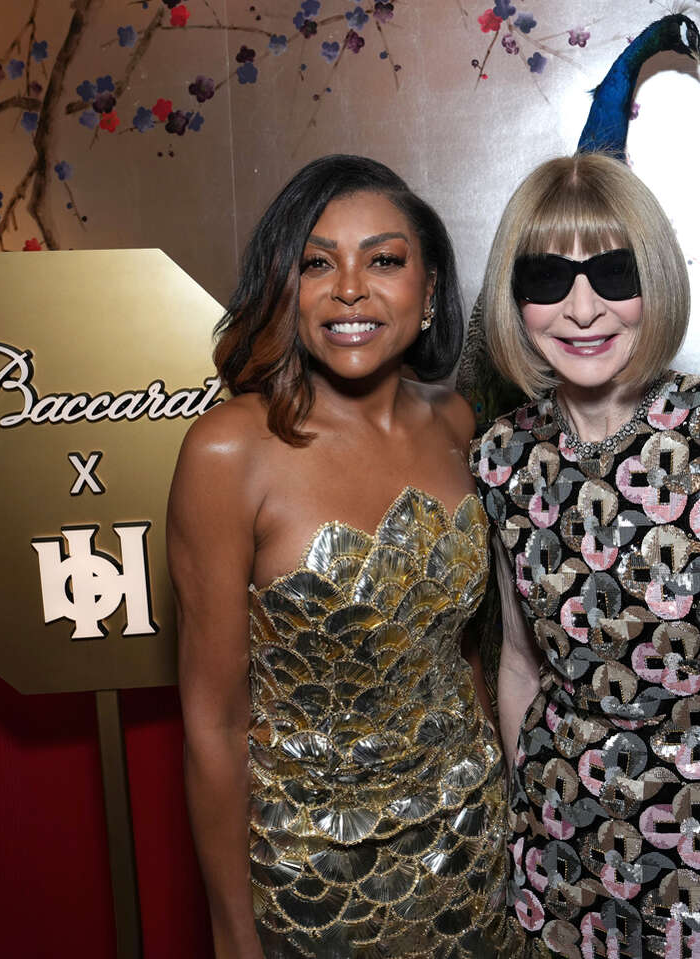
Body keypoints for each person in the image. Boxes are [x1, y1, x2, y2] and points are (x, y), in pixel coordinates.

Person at [168, 155, 524, 958]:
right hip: (312, 880)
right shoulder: (228, 451)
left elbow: (460, 654)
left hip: (472, 846)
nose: (350, 287)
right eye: (317, 262)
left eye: (384, 260)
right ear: (284, 289)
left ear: (429, 291)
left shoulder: (455, 422)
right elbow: (214, 723)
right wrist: (231, 932)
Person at [470, 151, 698, 957]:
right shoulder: (502, 456)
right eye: (546, 280)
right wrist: (524, 806)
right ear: (515, 297)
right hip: (562, 837)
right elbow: (520, 663)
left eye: (610, 273)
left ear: (654, 281)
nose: (580, 309)